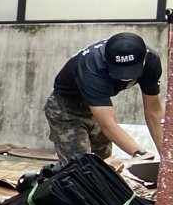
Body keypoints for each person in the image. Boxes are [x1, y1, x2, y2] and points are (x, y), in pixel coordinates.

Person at [45, 32, 163, 162]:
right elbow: (108, 125)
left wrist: (167, 155)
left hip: (96, 110)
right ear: (107, 60)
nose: (126, 76)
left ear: (144, 59)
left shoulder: (151, 61)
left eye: (131, 70)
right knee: (80, 168)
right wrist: (140, 154)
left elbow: (154, 112)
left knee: (105, 167)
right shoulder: (92, 66)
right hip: (65, 109)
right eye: (120, 70)